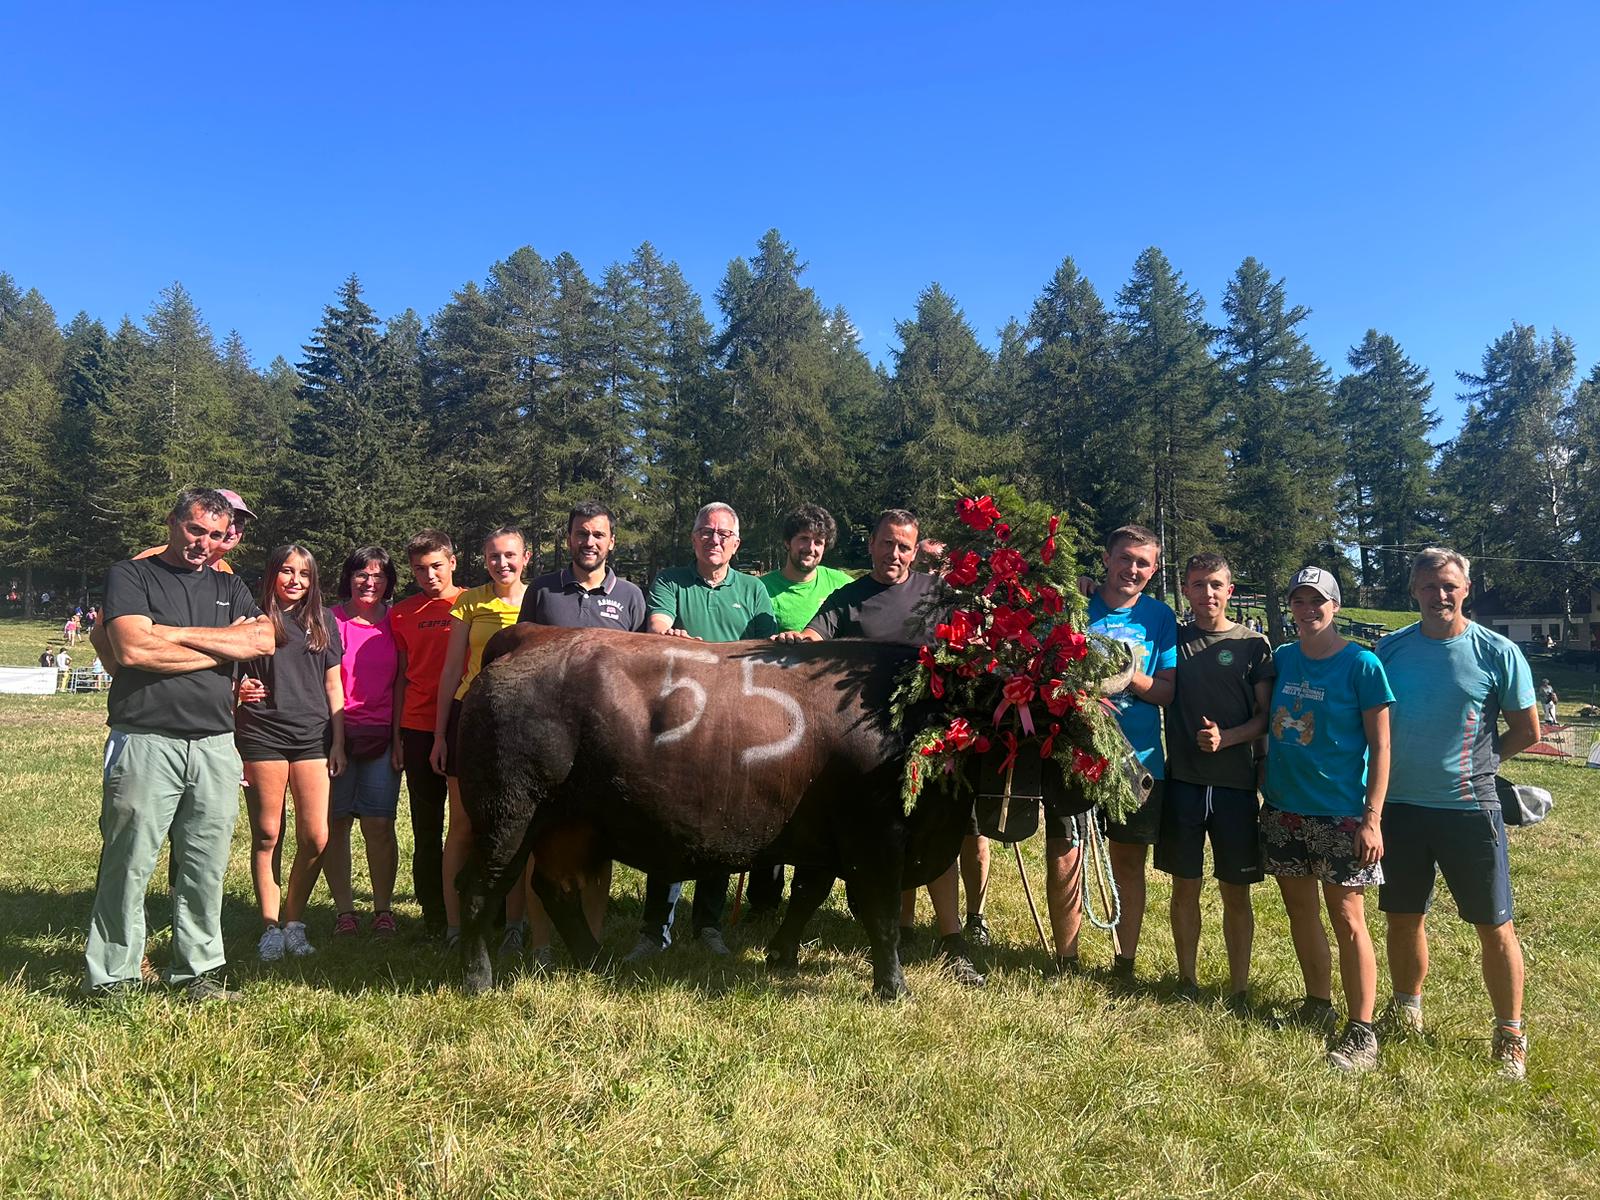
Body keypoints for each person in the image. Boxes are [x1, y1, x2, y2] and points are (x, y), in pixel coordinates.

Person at [775, 508, 985, 988]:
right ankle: (899, 932)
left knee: (938, 841)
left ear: (915, 551)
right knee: (870, 842)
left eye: (904, 547)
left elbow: (968, 648)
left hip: (933, 742)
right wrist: (800, 638)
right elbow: (816, 634)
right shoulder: (848, 597)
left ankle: (953, 941)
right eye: (887, 544)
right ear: (871, 544)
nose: (895, 554)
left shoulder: (937, 597)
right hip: (860, 749)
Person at [84, 488, 275, 999]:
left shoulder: (228, 585)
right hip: (145, 737)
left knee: (204, 864)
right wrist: (216, 647)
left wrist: (168, 635)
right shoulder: (131, 574)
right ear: (172, 522)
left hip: (215, 742)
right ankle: (114, 975)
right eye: (195, 530)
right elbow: (130, 648)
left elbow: (261, 640)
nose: (204, 544)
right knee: (129, 862)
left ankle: (198, 970)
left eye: (215, 535)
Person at [1376, 548, 1539, 1080]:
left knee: (1494, 925)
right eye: (1428, 585)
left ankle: (1510, 1033)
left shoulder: (1498, 651)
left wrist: (1480, 766)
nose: (1439, 595)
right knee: (1403, 919)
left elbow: (1527, 730)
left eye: (1449, 585)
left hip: (1470, 809)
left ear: (1466, 588)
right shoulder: (1390, 650)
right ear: (1413, 591)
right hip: (1399, 808)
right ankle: (1407, 1012)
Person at [628, 502, 777, 962]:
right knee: (667, 823)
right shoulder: (671, 580)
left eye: (723, 534)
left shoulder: (753, 590)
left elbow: (765, 645)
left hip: (732, 722)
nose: (714, 540)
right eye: (706, 532)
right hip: (677, 720)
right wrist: (671, 634)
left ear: (736, 543)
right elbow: (657, 628)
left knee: (723, 820)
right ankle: (656, 928)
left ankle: (709, 925)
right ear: (693, 538)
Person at [1261, 566, 1393, 1072]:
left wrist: (1372, 818)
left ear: (1335, 606)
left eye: (1318, 600)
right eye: (1299, 600)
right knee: (1300, 911)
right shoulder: (1284, 659)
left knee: (1348, 919)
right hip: (1284, 807)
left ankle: (1362, 1030)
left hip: (1342, 814)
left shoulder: (1362, 665)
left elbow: (1381, 746)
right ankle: (1317, 1003)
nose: (1308, 609)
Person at [516, 500, 648, 965]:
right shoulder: (542, 592)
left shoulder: (631, 596)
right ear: (568, 538)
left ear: (611, 541)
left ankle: (589, 945)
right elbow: (521, 658)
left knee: (598, 846)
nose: (588, 542)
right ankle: (540, 946)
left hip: (606, 745)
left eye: (597, 535)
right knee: (542, 842)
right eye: (580, 534)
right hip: (545, 739)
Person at [1156, 552, 1273, 1006]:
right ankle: (1187, 981)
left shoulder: (1253, 645)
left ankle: (1239, 987)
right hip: (1183, 782)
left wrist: (1227, 739)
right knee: (1185, 887)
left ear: (1231, 590)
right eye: (1198, 584)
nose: (1208, 593)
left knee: (1235, 892)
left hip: (1234, 786)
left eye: (1216, 585)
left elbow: (1265, 718)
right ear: (1185, 589)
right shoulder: (1174, 640)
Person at [1061, 526, 1177, 983]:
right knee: (1067, 854)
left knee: (1128, 862)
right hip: (1076, 752)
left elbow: (1167, 693)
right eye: (1125, 558)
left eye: (1143, 563)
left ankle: (1124, 963)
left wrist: (1127, 676)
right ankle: (1065, 960)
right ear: (1107, 558)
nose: (1132, 569)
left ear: (1154, 569)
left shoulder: (1160, 618)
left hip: (1139, 760)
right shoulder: (1078, 604)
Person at [235, 545, 346, 961]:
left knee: (316, 836)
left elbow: (334, 686)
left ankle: (294, 921)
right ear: (271, 575)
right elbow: (227, 674)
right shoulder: (251, 621)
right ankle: (269, 927)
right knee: (268, 834)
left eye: (304, 574)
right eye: (286, 571)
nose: (295, 580)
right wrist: (238, 691)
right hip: (262, 735)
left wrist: (339, 741)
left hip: (313, 739)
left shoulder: (324, 622)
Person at [752, 503, 856, 916]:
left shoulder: (841, 584)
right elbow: (755, 640)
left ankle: (833, 897)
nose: (810, 548)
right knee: (771, 796)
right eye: (803, 540)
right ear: (788, 543)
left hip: (829, 708)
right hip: (775, 703)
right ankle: (764, 900)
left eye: (817, 541)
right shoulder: (763, 588)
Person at [430, 528, 531, 954]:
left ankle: (514, 924)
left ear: (526, 557)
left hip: (524, 720)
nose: (501, 563)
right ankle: (456, 926)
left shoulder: (538, 600)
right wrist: (439, 734)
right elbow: (452, 669)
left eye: (510, 555)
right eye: (493, 556)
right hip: (470, 716)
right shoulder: (469, 601)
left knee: (519, 826)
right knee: (464, 825)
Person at [389, 530, 464, 938]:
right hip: (417, 727)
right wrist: (398, 732)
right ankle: (434, 913)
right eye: (420, 568)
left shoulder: (473, 603)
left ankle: (472, 905)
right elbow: (400, 676)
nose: (429, 574)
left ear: (453, 561)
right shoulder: (401, 613)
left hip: (465, 722)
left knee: (470, 823)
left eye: (436, 565)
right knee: (427, 826)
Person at [325, 547, 403, 939]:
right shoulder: (329, 620)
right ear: (348, 576)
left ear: (389, 581)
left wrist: (398, 738)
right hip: (333, 736)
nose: (369, 582)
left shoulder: (397, 621)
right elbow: (328, 679)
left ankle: (383, 909)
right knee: (334, 824)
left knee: (379, 823)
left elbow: (403, 680)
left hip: (382, 737)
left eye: (378, 575)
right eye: (361, 574)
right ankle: (344, 912)